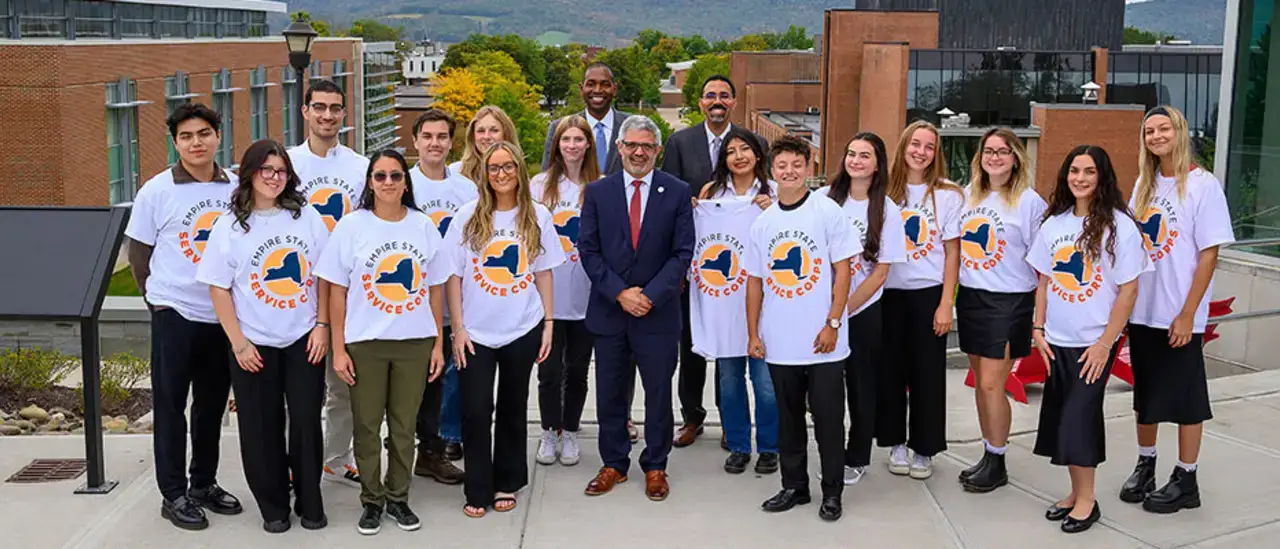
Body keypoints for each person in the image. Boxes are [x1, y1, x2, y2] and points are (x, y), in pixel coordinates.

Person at [197, 139, 333, 533]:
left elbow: (324, 277)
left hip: (303, 338)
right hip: (253, 343)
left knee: (306, 422)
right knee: (260, 426)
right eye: (266, 170)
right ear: (250, 174)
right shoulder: (230, 224)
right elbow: (218, 288)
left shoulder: (305, 218)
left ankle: (310, 502)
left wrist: (322, 325)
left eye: (281, 171)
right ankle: (273, 506)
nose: (274, 178)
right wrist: (238, 342)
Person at [315, 149, 451, 535]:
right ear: (370, 182)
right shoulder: (351, 226)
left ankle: (399, 497)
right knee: (367, 425)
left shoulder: (423, 226)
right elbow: (336, 291)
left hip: (414, 342)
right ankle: (372, 501)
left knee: (405, 427)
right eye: (380, 176)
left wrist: (438, 343)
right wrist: (339, 348)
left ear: (406, 182)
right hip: (365, 344)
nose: (388, 182)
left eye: (395, 175)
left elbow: (435, 289)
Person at [125, 103, 242, 531]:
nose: (197, 143)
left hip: (221, 317)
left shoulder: (234, 187)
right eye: (187, 136)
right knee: (172, 406)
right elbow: (139, 255)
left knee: (211, 408)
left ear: (217, 135)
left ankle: (203, 484)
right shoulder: (157, 190)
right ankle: (172, 493)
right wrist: (157, 301)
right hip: (175, 313)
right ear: (176, 142)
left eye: (204, 134)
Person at [1028, 145, 1150, 534]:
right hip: (1057, 340)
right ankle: (1074, 492)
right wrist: (1038, 329)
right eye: (1074, 171)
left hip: (1094, 342)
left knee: (1079, 419)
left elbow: (1128, 291)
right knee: (1063, 418)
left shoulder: (1119, 227)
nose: (1080, 178)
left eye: (1089, 172)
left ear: (1102, 177)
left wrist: (1105, 344)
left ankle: (1087, 500)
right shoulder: (1054, 224)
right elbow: (1044, 282)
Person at [1120, 106, 1234, 513]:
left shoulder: (1203, 186)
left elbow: (1208, 255)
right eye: (1149, 130)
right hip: (1143, 310)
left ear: (1179, 131)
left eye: (1163, 128)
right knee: (1145, 395)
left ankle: (1187, 478)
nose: (1156, 136)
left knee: (1186, 399)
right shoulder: (1144, 186)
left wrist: (1188, 313)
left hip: (1178, 312)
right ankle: (1145, 464)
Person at [447, 141, 565, 518]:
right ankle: (477, 486)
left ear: (519, 171)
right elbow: (452, 276)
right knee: (476, 409)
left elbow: (544, 272)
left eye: (508, 167)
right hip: (476, 332)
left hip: (522, 326)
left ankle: (507, 482)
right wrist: (458, 328)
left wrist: (548, 323)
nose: (501, 174)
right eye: (494, 168)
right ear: (484, 173)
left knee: (514, 408)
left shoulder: (537, 216)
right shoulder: (466, 216)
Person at [580, 115, 694, 502]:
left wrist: (649, 295)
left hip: (657, 314)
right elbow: (589, 252)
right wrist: (620, 293)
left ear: (657, 150)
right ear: (620, 148)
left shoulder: (677, 192)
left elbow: (682, 253)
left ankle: (656, 464)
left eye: (647, 146)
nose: (639, 152)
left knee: (658, 393)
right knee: (610, 392)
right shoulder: (598, 192)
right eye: (632, 145)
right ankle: (614, 463)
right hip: (611, 312)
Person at [748, 135, 858, 522]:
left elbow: (843, 270)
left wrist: (832, 322)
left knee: (828, 421)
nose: (789, 172)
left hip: (825, 342)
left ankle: (832, 491)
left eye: (797, 164)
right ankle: (794, 486)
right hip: (780, 341)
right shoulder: (763, 223)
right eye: (782, 166)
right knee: (789, 420)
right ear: (772, 171)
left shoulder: (827, 212)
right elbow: (755, 282)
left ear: (809, 168)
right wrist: (753, 334)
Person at [661, 74, 769, 449]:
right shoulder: (680, 142)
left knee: (734, 345)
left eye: (724, 95)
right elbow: (667, 199)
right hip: (699, 265)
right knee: (690, 345)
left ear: (734, 101)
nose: (717, 101)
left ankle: (731, 421)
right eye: (710, 96)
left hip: (745, 273)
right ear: (700, 102)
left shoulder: (755, 143)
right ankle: (692, 417)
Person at [955, 127, 1047, 493]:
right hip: (973, 298)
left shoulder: (1028, 202)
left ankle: (998, 459)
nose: (994, 157)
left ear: (1015, 159)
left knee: (994, 384)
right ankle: (988, 452)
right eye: (988, 151)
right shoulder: (968, 196)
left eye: (1003, 152)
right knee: (981, 383)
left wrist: (1040, 318)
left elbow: (1045, 265)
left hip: (1009, 302)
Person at [287, 79, 369, 489]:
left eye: (335, 108)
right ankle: (292, 461)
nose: (327, 116)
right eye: (319, 107)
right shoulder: (285, 165)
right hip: (294, 295)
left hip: (345, 296)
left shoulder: (359, 167)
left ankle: (337, 458)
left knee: (343, 388)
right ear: (305, 111)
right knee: (297, 394)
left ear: (343, 114)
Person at [821, 132, 907, 487]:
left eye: (864, 155)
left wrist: (843, 311)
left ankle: (857, 456)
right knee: (826, 388)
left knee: (861, 386)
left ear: (877, 164)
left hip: (862, 312)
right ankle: (829, 449)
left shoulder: (887, 209)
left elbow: (882, 271)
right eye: (851, 153)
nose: (855, 161)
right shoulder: (824, 200)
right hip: (821, 310)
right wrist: (829, 312)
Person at [879, 120, 963, 480]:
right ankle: (895, 442)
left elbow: (952, 254)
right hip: (887, 293)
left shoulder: (948, 195)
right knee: (891, 373)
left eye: (929, 146)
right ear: (904, 146)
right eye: (916, 144)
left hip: (928, 293)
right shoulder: (883, 192)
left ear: (936, 153)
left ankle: (924, 448)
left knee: (928, 374)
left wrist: (946, 303)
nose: (921, 152)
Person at [692, 127, 778, 475]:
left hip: (766, 303)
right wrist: (697, 209)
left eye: (745, 149)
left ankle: (770, 446)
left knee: (765, 383)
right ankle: (739, 444)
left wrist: (772, 209)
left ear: (758, 155)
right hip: (723, 303)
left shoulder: (773, 193)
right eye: (731, 151)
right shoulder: (711, 193)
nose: (738, 156)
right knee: (729, 381)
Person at [407, 109, 475, 483]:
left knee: (444, 381)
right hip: (410, 302)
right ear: (415, 141)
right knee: (412, 385)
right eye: (427, 136)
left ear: (452, 142)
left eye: (442, 136)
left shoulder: (466, 189)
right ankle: (407, 449)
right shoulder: (403, 184)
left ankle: (432, 451)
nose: (435, 143)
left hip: (456, 302)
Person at [531, 116, 601, 467]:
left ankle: (570, 431)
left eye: (578, 139)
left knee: (577, 371)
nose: (572, 145)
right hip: (548, 300)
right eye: (565, 139)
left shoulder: (601, 186)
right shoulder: (539, 186)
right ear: (556, 145)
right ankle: (548, 431)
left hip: (586, 298)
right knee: (548, 373)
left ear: (589, 144)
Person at [542, 62, 631, 175]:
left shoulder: (631, 126)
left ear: (614, 89)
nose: (598, 90)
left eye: (605, 84)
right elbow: (548, 176)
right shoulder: (559, 128)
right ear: (581, 88)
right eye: (591, 84)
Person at [452, 105, 519, 185]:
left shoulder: (517, 173)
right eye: (481, 131)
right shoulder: (456, 172)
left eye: (494, 130)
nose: (486, 136)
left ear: (506, 134)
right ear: (472, 136)